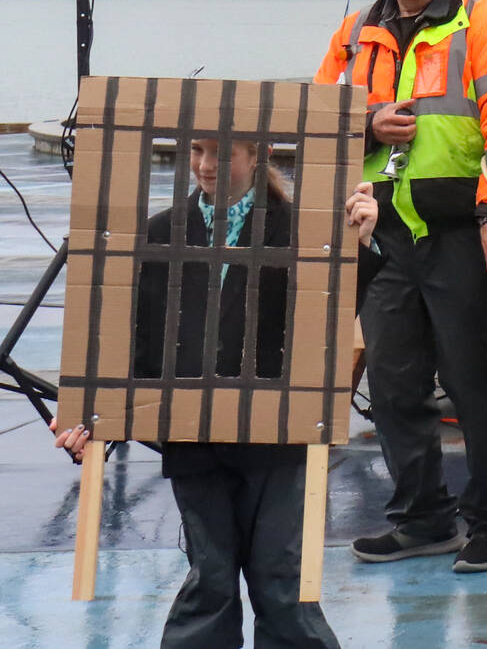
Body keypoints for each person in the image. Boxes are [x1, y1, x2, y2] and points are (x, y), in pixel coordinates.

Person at [54, 138, 342, 649]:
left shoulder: (302, 230)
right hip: (192, 437)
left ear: (257, 156)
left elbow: (334, 322)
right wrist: (91, 417)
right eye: (197, 151)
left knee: (282, 578)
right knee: (210, 575)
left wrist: (361, 241)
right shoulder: (161, 232)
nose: (206, 166)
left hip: (276, 436)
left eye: (223, 153)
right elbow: (132, 338)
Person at [314, 0, 487, 574]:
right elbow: (317, 123)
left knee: (475, 381)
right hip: (382, 236)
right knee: (396, 384)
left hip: (460, 230)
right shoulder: (353, 33)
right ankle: (421, 518)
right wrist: (367, 126)